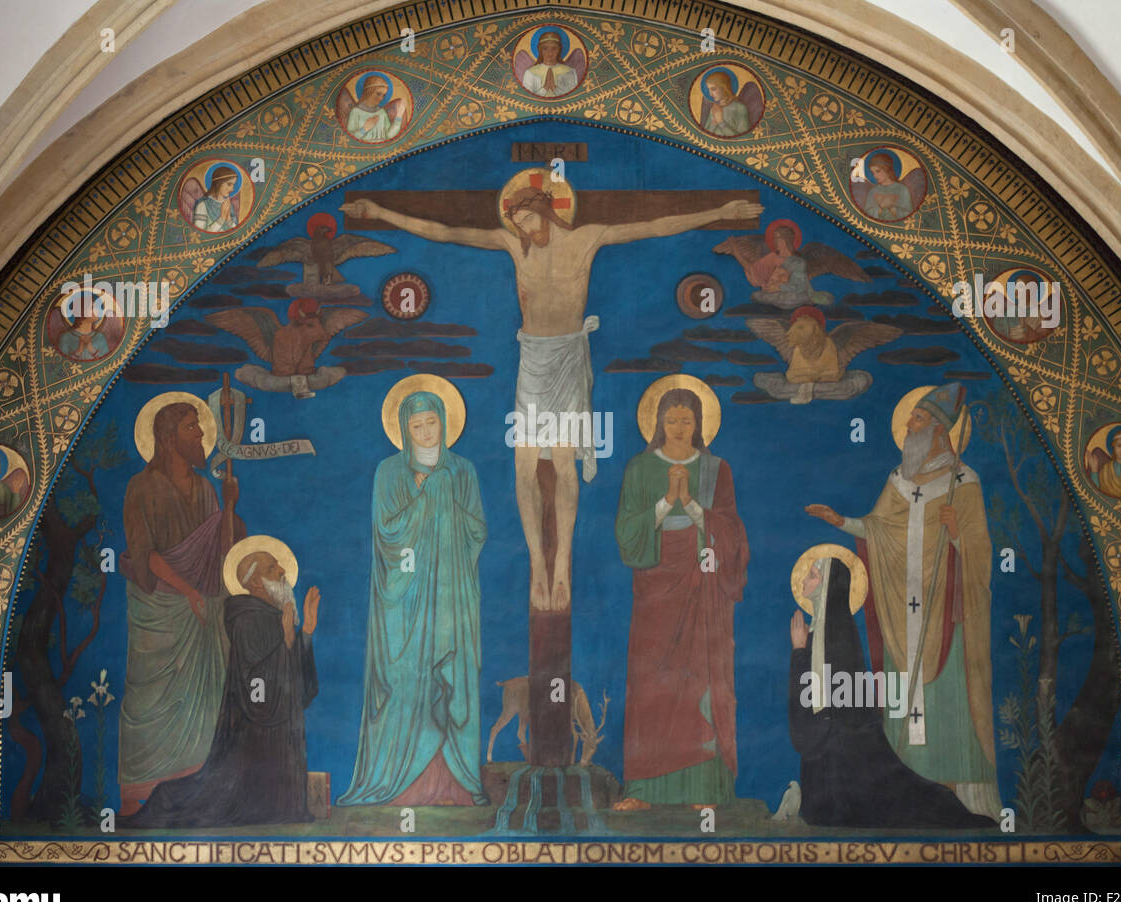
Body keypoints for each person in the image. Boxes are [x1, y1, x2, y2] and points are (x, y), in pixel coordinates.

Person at [340, 189, 763, 611]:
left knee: (563, 464)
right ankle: (536, 567)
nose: (523, 229)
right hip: (534, 359)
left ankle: (561, 564)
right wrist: (378, 211)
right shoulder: (512, 244)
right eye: (517, 224)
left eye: (527, 219)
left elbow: (652, 227)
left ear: (544, 210)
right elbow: (447, 232)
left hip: (567, 361)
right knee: (523, 466)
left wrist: (719, 212)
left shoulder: (587, 238)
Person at [806, 383, 1000, 820]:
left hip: (945, 619)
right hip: (900, 613)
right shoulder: (897, 482)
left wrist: (956, 533)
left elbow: (981, 553)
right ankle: (903, 793)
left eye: (917, 419)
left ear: (936, 430)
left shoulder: (964, 483)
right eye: (909, 417)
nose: (909, 427)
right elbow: (878, 529)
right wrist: (843, 522)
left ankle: (960, 791)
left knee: (948, 697)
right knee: (899, 698)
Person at [339, 389, 489, 806]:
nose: (425, 431)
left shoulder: (463, 470)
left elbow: (477, 531)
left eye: (432, 422)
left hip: (451, 595)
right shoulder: (389, 472)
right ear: (404, 430)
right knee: (405, 683)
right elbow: (387, 534)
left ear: (445, 422)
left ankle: (456, 787)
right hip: (403, 599)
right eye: (416, 425)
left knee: (452, 678)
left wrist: (440, 492)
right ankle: (397, 785)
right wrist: (426, 498)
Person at [613, 386, 749, 810]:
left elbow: (731, 534)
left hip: (701, 586)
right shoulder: (639, 467)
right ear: (657, 423)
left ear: (699, 424)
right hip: (655, 589)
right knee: (650, 684)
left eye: (686, 420)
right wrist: (665, 502)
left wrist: (690, 503)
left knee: (699, 680)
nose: (678, 428)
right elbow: (626, 532)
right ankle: (643, 790)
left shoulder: (715, 470)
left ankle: (703, 791)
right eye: (670, 420)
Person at [788, 552, 995, 828]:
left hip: (846, 758)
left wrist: (800, 653)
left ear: (827, 588)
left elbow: (839, 704)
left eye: (813, 575)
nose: (804, 580)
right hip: (825, 758)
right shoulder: (815, 633)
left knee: (898, 803)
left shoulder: (838, 635)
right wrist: (802, 651)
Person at [122, 548, 320, 827]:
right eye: (273, 568)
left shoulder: (276, 617)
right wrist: (286, 643)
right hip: (254, 735)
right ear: (254, 582)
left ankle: (281, 807)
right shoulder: (246, 617)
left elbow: (300, 691)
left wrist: (306, 633)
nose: (282, 572)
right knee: (211, 801)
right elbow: (256, 687)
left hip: (281, 729)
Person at [119, 400, 244, 814]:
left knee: (205, 696)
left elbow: (222, 553)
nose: (202, 436)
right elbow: (145, 556)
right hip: (162, 609)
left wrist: (228, 507)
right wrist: (188, 591)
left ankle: (191, 791)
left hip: (203, 607)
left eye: (200, 427)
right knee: (150, 700)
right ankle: (139, 796)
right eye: (193, 429)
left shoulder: (207, 488)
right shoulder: (142, 486)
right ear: (169, 438)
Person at [346, 74, 405, 143]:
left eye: (383, 95)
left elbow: (389, 135)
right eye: (378, 94)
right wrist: (364, 129)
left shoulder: (381, 112)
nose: (381, 98)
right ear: (369, 92)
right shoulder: (356, 112)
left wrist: (399, 115)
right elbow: (349, 138)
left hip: (383, 148)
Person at [523, 32, 578, 97]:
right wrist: (545, 88)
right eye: (545, 48)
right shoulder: (530, 72)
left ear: (559, 50)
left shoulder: (569, 71)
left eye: (554, 48)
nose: (550, 53)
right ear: (540, 50)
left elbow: (573, 96)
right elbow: (527, 98)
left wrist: (554, 89)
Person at [864, 154, 913, 221]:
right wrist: (881, 207)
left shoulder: (902, 189)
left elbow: (909, 215)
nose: (875, 176)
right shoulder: (873, 191)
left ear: (887, 169)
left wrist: (892, 207)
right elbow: (866, 214)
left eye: (878, 171)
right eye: (873, 173)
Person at [702, 72, 752, 137]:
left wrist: (721, 122)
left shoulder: (740, 108)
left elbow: (742, 139)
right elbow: (704, 136)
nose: (710, 94)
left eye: (713, 89)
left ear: (724, 87)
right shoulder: (714, 108)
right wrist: (714, 123)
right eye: (709, 90)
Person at [193, 166, 239, 232]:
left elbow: (236, 231)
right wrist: (222, 218)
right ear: (218, 183)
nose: (232, 189)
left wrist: (228, 219)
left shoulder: (228, 204)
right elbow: (200, 234)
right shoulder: (203, 205)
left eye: (233, 185)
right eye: (229, 184)